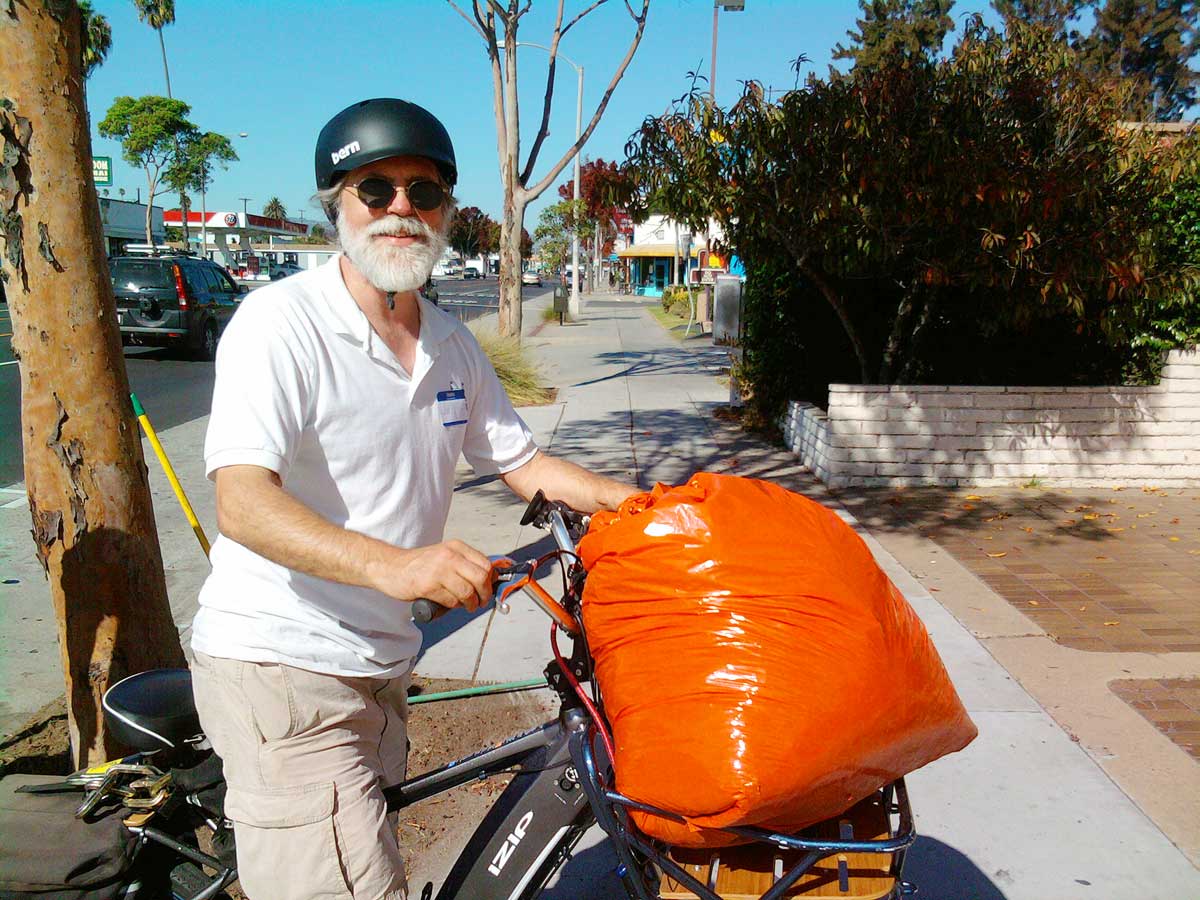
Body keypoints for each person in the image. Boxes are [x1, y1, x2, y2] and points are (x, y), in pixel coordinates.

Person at [188, 98, 637, 900]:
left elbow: (521, 461)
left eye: (423, 192)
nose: (402, 209)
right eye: (376, 189)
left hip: (380, 663)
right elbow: (243, 504)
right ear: (338, 204)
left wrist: (644, 505)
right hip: (284, 665)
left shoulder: (449, 343)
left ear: (448, 214)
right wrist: (396, 566)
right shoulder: (278, 324)